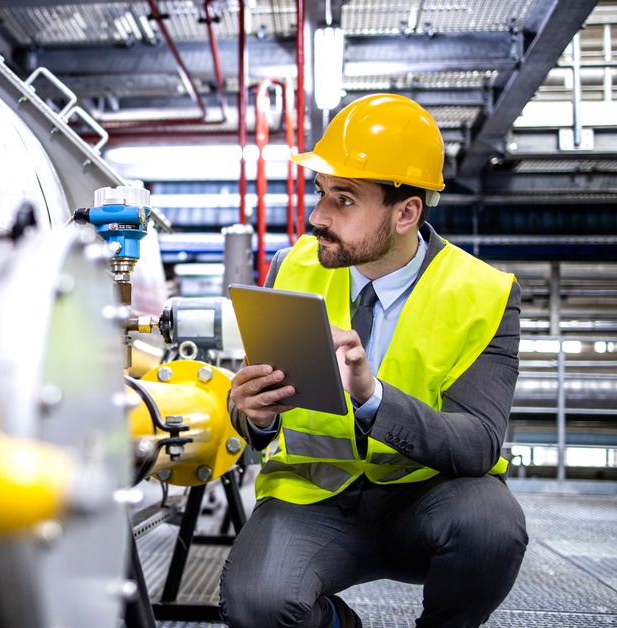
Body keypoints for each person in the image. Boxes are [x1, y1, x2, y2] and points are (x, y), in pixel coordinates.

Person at [218, 93, 528, 628]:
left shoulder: (484, 294)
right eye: (320, 193)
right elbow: (256, 420)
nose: (317, 216)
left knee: (491, 526)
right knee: (257, 605)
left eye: (344, 199)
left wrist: (372, 398)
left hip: (426, 501)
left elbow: (478, 444)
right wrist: (254, 415)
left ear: (407, 212)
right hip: (312, 498)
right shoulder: (291, 269)